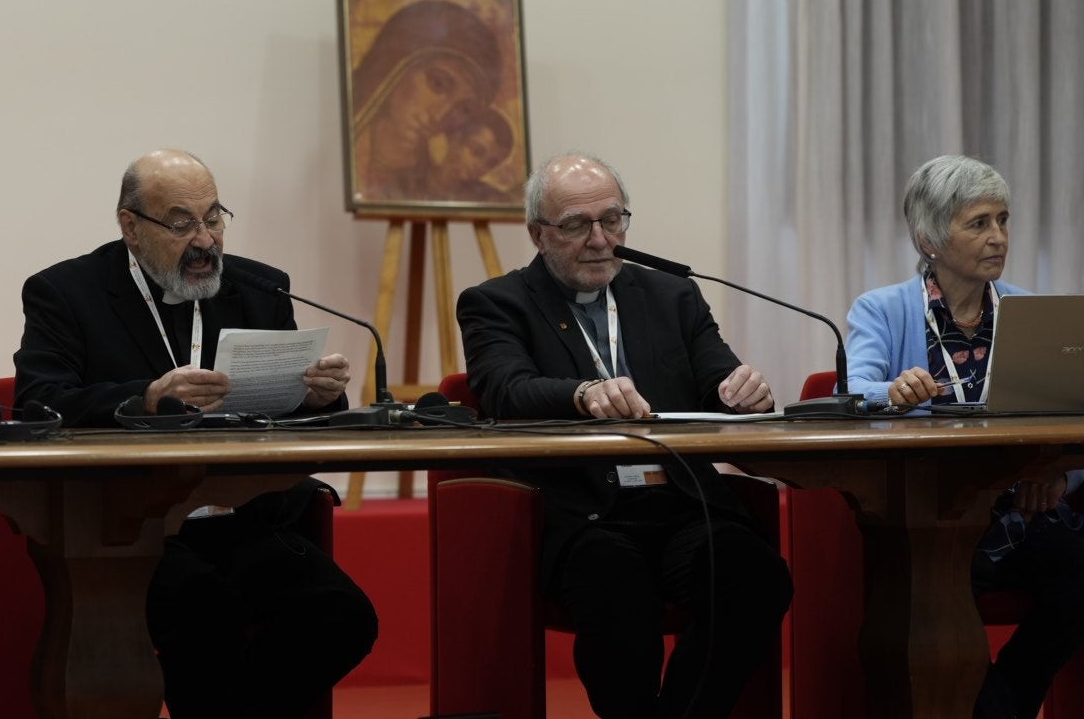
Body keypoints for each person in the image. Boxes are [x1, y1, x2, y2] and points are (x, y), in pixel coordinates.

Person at [13, 148, 378, 718]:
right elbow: (40, 401)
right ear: (131, 226)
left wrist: (317, 396)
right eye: (182, 223)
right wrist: (146, 399)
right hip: (129, 529)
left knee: (340, 615)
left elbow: (292, 418)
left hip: (243, 517)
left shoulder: (262, 289)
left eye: (214, 217)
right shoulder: (66, 293)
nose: (206, 241)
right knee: (206, 616)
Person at [456, 152, 791, 719]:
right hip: (584, 513)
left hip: (681, 502)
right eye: (576, 225)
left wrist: (742, 388)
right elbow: (505, 389)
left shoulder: (672, 295)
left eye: (612, 221)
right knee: (617, 591)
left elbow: (717, 378)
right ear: (538, 234)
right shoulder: (497, 302)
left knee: (755, 576)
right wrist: (581, 394)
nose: (599, 239)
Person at [846, 154, 1084, 718]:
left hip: (1024, 509)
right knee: (936, 604)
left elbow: (1070, 412)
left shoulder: (1033, 311)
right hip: (932, 513)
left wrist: (1059, 474)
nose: (998, 237)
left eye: (1003, 220)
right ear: (928, 238)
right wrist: (892, 390)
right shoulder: (882, 310)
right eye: (978, 223)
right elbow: (854, 390)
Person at [349, 0, 501, 201]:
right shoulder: (339, 150)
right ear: (395, 65)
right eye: (438, 84)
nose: (440, 116)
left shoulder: (434, 186)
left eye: (463, 109)